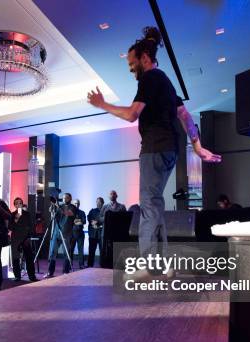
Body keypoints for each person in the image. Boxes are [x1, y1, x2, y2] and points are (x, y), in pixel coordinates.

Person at [87, 26, 221, 264]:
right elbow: (186, 116)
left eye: (132, 63)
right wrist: (197, 147)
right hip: (170, 150)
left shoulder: (150, 78)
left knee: (148, 205)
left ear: (144, 58)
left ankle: (149, 264)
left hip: (154, 149)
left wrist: (103, 104)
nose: (130, 68)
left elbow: (131, 114)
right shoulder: (166, 83)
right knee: (155, 204)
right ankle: (163, 262)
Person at [46, 193, 77, 277]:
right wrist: (53, 207)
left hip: (66, 233)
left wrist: (58, 206)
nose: (64, 199)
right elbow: (52, 214)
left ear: (70, 198)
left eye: (66, 198)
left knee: (66, 253)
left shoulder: (73, 207)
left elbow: (68, 213)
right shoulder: (60, 206)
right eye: (63, 198)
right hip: (56, 232)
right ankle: (50, 272)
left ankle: (66, 272)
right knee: (52, 252)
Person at [9, 197, 38, 282]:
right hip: (15, 239)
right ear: (14, 205)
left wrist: (29, 237)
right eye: (17, 203)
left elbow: (31, 226)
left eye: (20, 203)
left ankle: (32, 276)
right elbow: (10, 227)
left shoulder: (27, 214)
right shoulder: (12, 214)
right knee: (16, 258)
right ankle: (17, 276)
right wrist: (16, 218)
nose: (19, 204)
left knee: (29, 257)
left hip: (25, 238)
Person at [87, 197, 104, 268]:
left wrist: (98, 222)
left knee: (102, 251)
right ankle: (90, 265)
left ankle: (102, 265)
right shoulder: (92, 210)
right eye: (97, 202)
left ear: (102, 203)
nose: (98, 203)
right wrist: (92, 222)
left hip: (101, 234)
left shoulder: (105, 211)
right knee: (91, 250)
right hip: (93, 234)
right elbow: (88, 217)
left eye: (99, 202)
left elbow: (105, 220)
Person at [69, 199, 87, 270]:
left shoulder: (82, 212)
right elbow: (69, 223)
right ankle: (70, 264)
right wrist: (78, 221)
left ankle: (81, 264)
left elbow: (84, 221)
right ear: (73, 204)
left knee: (80, 250)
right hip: (72, 233)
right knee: (71, 250)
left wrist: (76, 221)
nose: (77, 205)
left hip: (80, 233)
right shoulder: (69, 213)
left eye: (78, 203)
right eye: (75, 203)